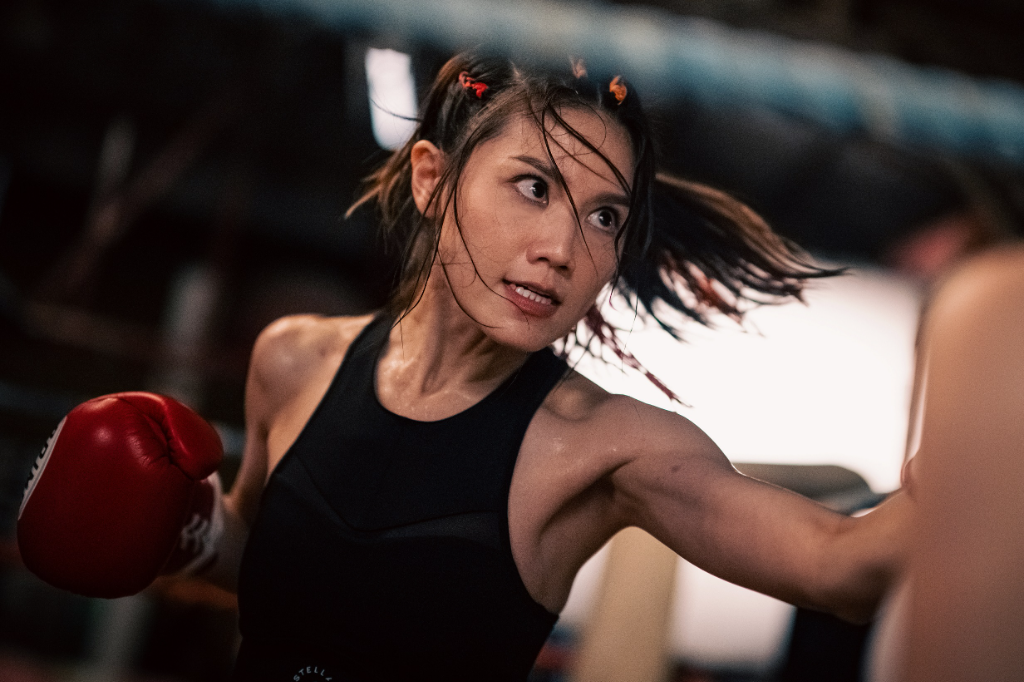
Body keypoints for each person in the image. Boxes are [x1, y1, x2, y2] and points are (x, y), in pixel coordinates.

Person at [18, 53, 911, 681]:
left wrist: (973, 447)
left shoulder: (607, 451)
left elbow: (838, 567)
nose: (563, 248)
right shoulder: (294, 359)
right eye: (534, 186)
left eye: (604, 217)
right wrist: (194, 534)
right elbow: (268, 566)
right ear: (431, 179)